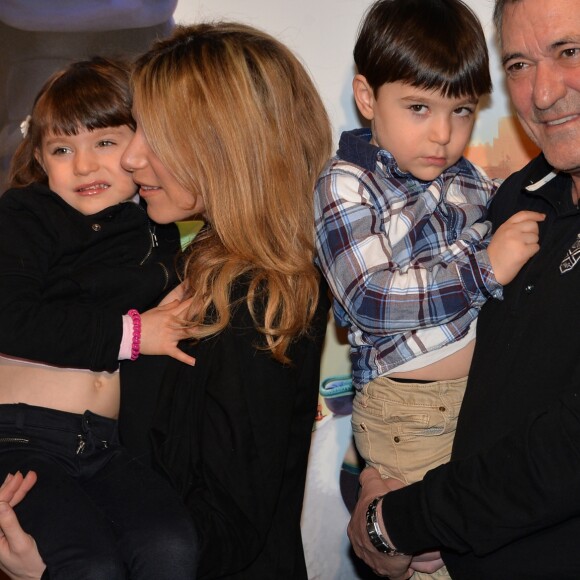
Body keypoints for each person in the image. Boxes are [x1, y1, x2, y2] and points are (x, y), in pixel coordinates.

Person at [0, 21, 334, 580]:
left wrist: (53, 567)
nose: (129, 158)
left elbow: (227, 525)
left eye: (149, 134)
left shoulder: (259, 296)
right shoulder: (177, 259)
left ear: (219, 144)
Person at [346, 0, 580, 578]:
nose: (543, 93)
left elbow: (564, 453)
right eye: (520, 65)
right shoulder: (517, 195)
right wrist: (382, 487)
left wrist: (398, 521)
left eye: (569, 52)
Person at [0, 57, 198, 579]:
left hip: (106, 447)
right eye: (62, 150)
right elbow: (10, 318)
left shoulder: (155, 229)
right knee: (89, 565)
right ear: (41, 160)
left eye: (104, 143)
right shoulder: (25, 216)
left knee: (171, 546)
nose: (83, 166)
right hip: (21, 442)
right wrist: (134, 335)